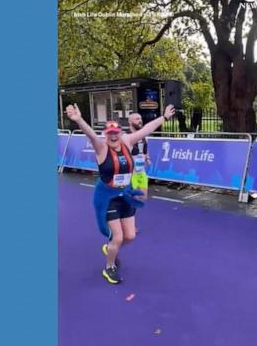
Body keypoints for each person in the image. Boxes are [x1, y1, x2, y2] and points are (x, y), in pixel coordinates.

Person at [65, 103, 175, 284]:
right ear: (106, 136)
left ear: (121, 133)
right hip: (108, 198)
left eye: (116, 133)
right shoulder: (101, 149)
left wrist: (163, 117)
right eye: (110, 134)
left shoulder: (127, 142)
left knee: (130, 236)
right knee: (118, 237)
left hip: (125, 195)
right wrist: (78, 120)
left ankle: (110, 248)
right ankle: (109, 267)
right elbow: (90, 134)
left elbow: (147, 129)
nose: (114, 136)